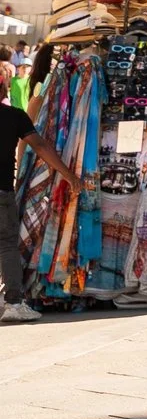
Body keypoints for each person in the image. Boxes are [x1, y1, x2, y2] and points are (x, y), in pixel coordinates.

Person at [1, 82, 81, 321]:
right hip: (1, 191)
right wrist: (68, 175)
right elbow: (40, 145)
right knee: (6, 245)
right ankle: (13, 303)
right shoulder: (13, 116)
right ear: (3, 90)